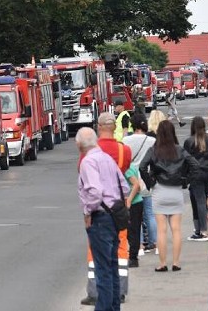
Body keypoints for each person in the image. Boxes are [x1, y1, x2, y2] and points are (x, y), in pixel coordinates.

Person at [76, 127, 130, 311]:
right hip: (115, 215)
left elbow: (95, 191)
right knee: (112, 266)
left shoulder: (88, 162)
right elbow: (125, 186)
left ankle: (104, 308)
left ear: (79, 144)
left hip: (100, 218)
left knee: (103, 269)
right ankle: (114, 307)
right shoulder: (106, 158)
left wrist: (87, 212)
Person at [139, 119, 199, 272]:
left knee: (161, 230)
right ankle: (176, 262)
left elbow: (142, 166)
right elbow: (195, 165)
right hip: (176, 190)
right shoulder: (179, 150)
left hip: (159, 189)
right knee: (176, 229)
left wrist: (151, 182)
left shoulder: (154, 150)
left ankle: (163, 263)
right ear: (173, 133)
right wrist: (186, 181)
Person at [122, 117, 157, 253]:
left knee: (136, 216)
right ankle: (154, 243)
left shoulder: (126, 141)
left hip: (132, 178)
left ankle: (140, 245)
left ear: (133, 126)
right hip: (146, 178)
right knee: (149, 213)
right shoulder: (152, 141)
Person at [184, 116, 208, 241]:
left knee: (200, 201)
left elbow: (186, 161)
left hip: (196, 174)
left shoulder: (189, 141)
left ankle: (203, 230)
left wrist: (186, 177)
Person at [124, 157, 144, 267]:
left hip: (134, 203)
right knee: (134, 230)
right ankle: (133, 256)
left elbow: (136, 184)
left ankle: (133, 257)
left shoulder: (127, 169)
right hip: (137, 202)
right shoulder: (132, 166)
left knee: (132, 231)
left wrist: (129, 200)